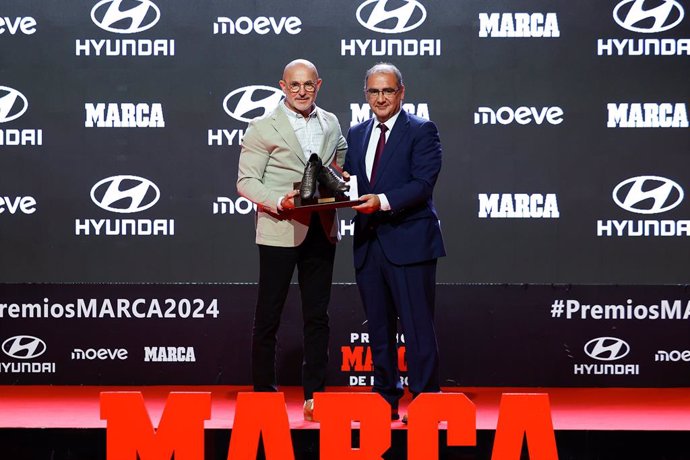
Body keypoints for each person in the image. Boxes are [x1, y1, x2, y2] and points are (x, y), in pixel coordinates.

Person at [237, 59, 347, 421]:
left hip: (321, 229)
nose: (302, 91)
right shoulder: (261, 127)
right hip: (279, 228)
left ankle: (315, 395)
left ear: (319, 84)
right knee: (268, 315)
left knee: (318, 316)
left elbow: (339, 159)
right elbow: (246, 182)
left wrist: (339, 177)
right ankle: (264, 395)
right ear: (282, 87)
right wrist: (278, 200)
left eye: (308, 85)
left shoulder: (331, 122)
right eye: (294, 85)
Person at [343, 63, 446, 422]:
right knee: (380, 328)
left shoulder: (421, 130)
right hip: (369, 245)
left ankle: (424, 399)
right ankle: (384, 398)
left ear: (402, 92)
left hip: (411, 241)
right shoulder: (356, 134)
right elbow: (351, 184)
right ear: (366, 95)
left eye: (388, 91)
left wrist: (382, 201)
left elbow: (422, 184)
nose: (381, 98)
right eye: (374, 92)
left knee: (418, 325)